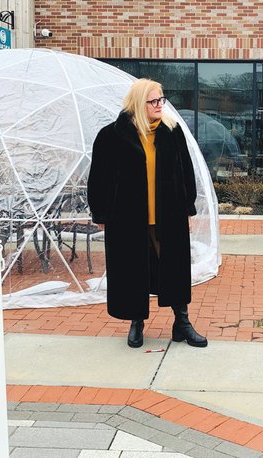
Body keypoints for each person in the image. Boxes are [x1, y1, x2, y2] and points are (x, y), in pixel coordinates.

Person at [88, 78, 206, 349]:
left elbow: (186, 172)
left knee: (174, 269)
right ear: (137, 103)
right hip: (128, 218)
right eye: (153, 101)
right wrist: (101, 215)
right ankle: (136, 322)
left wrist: (188, 208)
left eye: (161, 99)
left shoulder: (172, 132)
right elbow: (98, 180)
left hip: (170, 214)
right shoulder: (111, 136)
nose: (159, 105)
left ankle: (182, 323)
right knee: (133, 271)